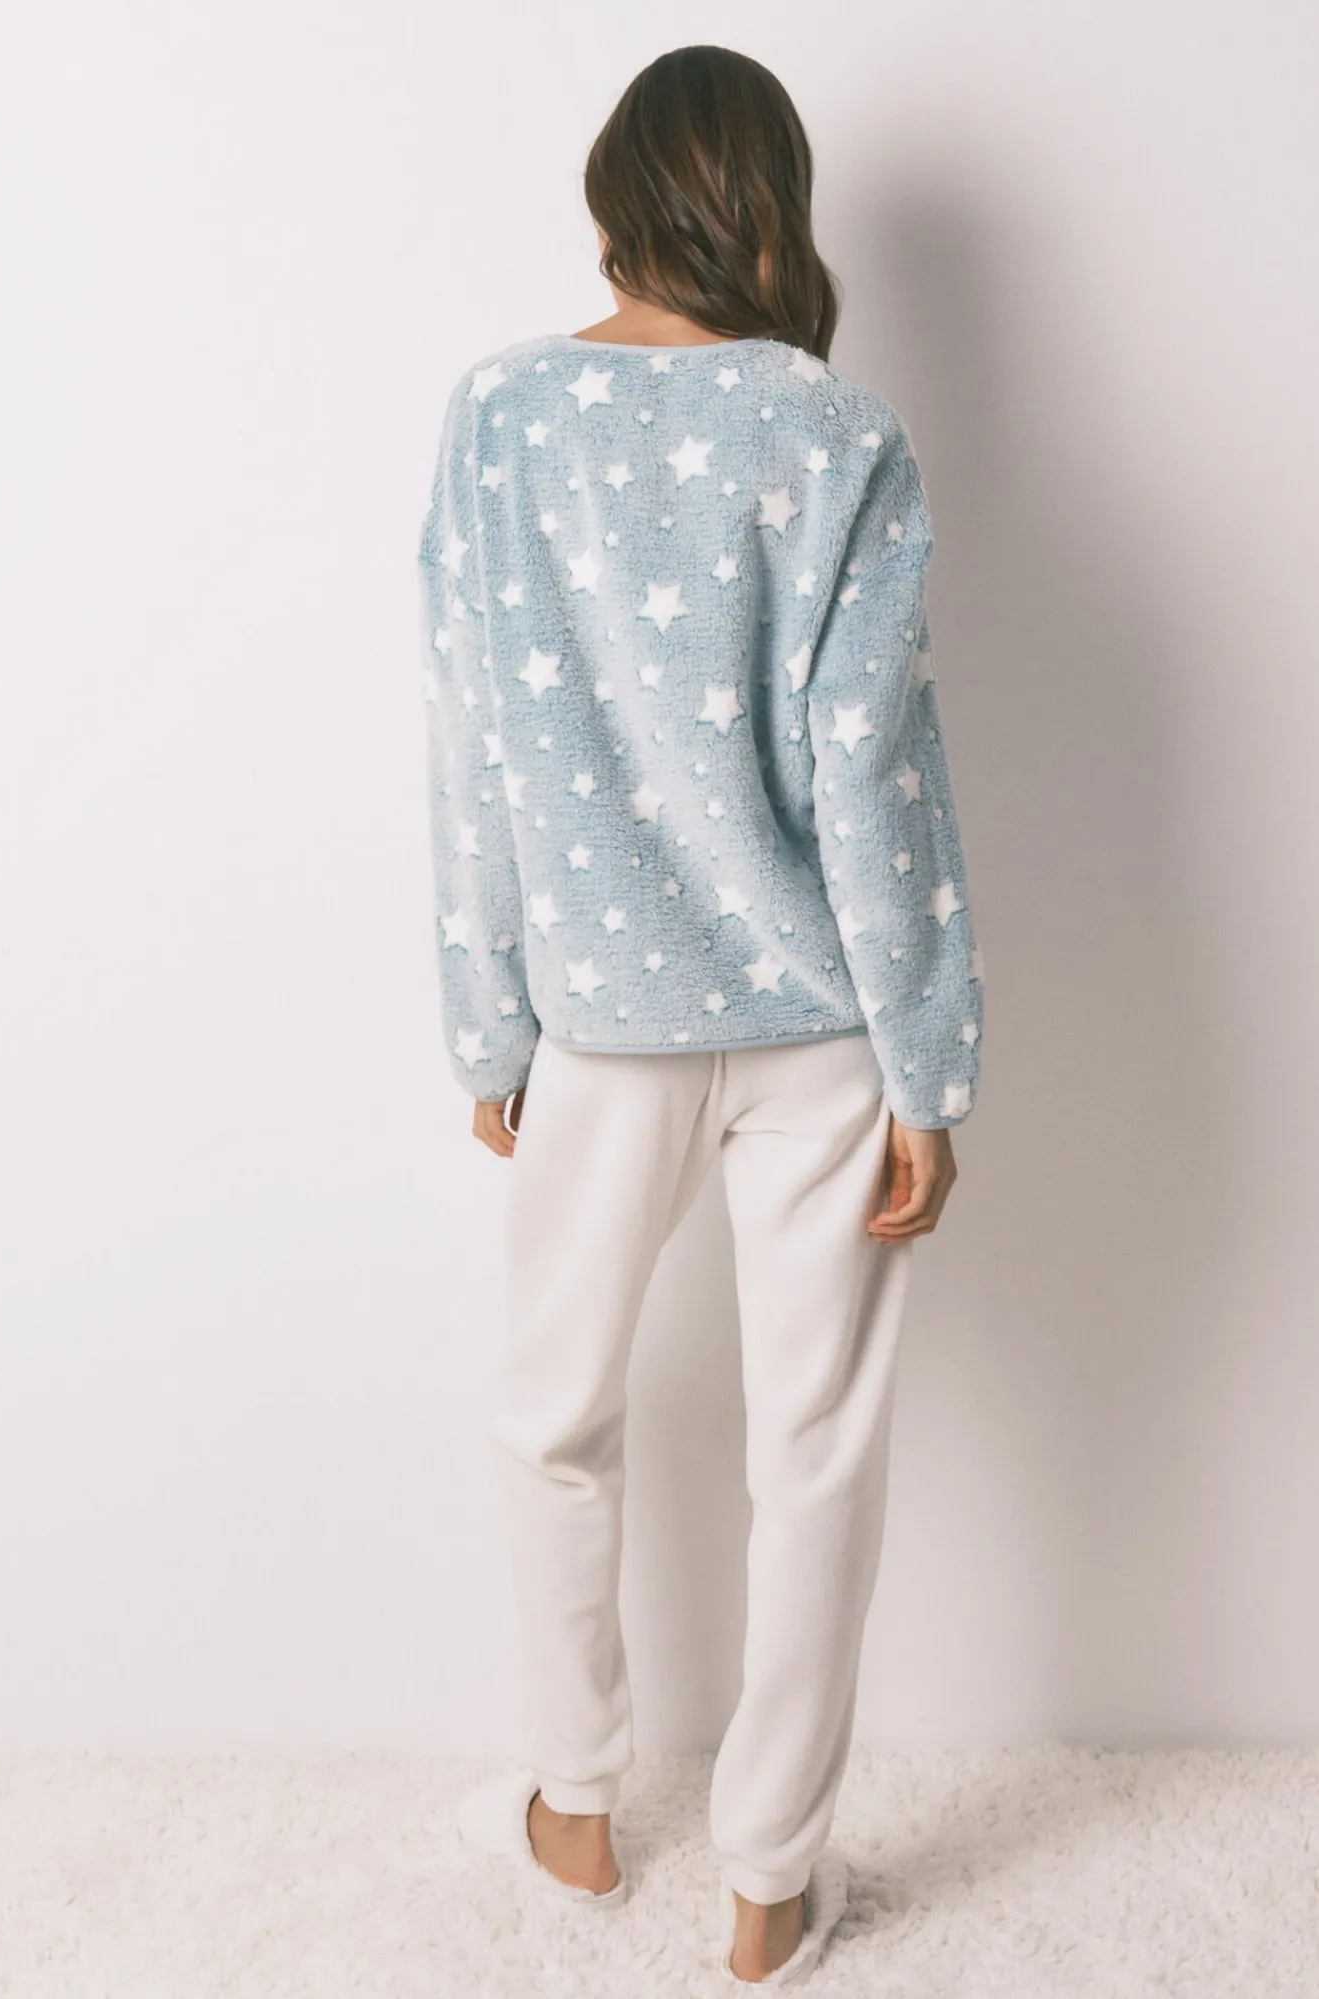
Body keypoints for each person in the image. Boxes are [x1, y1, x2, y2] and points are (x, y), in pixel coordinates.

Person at [417, 44, 984, 1987]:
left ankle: (574, 1807)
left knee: (549, 1416)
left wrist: (487, 1023)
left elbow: (474, 753)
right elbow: (877, 781)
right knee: (812, 1455)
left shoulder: (500, 419)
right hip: (824, 1036)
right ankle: (766, 1889)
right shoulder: (837, 434)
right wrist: (929, 1067)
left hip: (598, 1030)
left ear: (615, 202)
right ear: (770, 212)